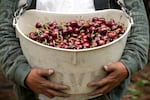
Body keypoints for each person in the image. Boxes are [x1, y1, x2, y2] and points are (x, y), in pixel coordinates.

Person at [0, 0, 149, 100]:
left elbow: (139, 25)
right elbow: (4, 31)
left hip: (103, 92)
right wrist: (22, 73)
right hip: (37, 93)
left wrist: (127, 65)